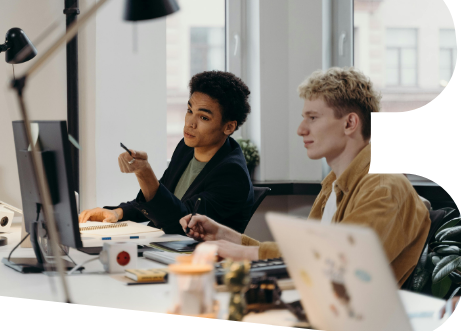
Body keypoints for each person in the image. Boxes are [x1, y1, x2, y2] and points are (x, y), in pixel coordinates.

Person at [180, 67, 431, 288]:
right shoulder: (333, 185)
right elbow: (306, 254)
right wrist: (225, 236)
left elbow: (338, 260)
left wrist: (241, 253)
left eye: (313, 118)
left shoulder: (384, 185)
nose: (301, 129)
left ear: (350, 123)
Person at [79, 71, 254, 235]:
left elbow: (183, 223)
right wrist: (118, 212)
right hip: (163, 247)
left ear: (229, 127)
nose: (190, 123)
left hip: (195, 254)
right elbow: (163, 199)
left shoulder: (232, 174)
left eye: (203, 117)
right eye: (189, 111)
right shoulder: (186, 148)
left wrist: (144, 172)